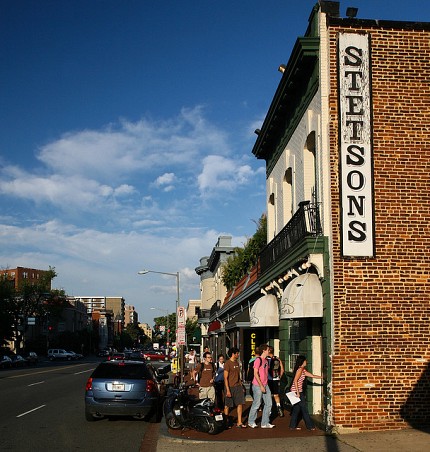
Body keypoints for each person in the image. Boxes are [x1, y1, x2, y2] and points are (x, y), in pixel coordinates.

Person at [289, 355, 323, 431]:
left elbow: (312, 375)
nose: (306, 362)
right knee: (304, 409)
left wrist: (322, 377)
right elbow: (295, 380)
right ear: (302, 362)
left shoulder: (303, 370)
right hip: (296, 391)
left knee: (296, 409)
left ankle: (292, 426)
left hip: (297, 391)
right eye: (305, 361)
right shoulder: (300, 370)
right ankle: (310, 426)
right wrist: (297, 393)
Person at [247, 344, 275, 429]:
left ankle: (265, 422)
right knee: (257, 403)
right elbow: (255, 373)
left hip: (265, 384)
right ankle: (251, 421)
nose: (268, 351)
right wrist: (261, 385)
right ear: (263, 350)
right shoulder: (258, 360)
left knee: (269, 403)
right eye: (267, 350)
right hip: (257, 385)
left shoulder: (266, 361)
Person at [223, 347, 246, 428]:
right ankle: (225, 422)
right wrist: (228, 390)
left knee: (240, 404)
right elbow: (225, 378)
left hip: (238, 386)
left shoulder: (236, 363)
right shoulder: (227, 363)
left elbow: (238, 376)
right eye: (237, 353)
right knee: (227, 406)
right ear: (233, 354)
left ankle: (239, 422)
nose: (238, 354)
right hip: (230, 387)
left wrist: (241, 385)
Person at [267, 345, 285, 417]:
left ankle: (269, 410)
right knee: (276, 394)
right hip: (276, 378)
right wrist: (279, 376)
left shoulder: (266, 360)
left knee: (268, 395)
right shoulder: (277, 359)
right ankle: (279, 407)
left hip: (268, 379)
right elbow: (282, 369)